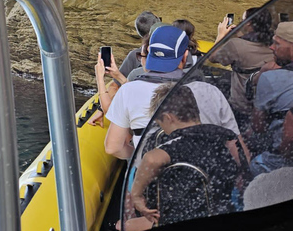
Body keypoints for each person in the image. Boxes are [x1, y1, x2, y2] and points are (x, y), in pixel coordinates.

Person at [102, 26, 241, 159]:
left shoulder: (127, 91)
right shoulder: (209, 91)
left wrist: (139, 159)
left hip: (148, 175)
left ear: (149, 51)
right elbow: (234, 142)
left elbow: (113, 148)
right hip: (199, 175)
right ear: (185, 56)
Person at [130, 85, 239, 226]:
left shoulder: (180, 143)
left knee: (124, 226)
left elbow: (151, 160)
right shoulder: (224, 135)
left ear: (169, 118)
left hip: (184, 220)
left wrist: (136, 195)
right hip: (221, 210)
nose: (163, 129)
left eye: (160, 123)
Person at [209, 8, 275, 129]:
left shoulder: (235, 45)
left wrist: (221, 35)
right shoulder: (275, 42)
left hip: (242, 107)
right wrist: (241, 36)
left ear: (248, 23)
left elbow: (212, 57)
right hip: (268, 105)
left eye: (242, 20)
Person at [249, 22, 293, 174]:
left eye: (277, 43)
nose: (271, 47)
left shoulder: (270, 78)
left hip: (284, 158)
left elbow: (258, 126)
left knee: (252, 166)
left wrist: (261, 75)